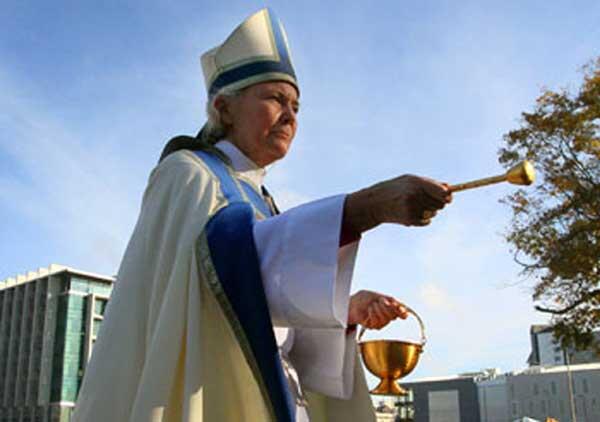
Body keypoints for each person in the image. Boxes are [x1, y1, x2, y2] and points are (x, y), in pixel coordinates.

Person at [73, 8, 452, 422]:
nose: (291, 115)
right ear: (224, 107)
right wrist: (365, 208)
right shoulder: (187, 172)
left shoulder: (262, 199)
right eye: (275, 98)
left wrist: (346, 309)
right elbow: (222, 266)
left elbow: (270, 306)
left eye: (296, 105)